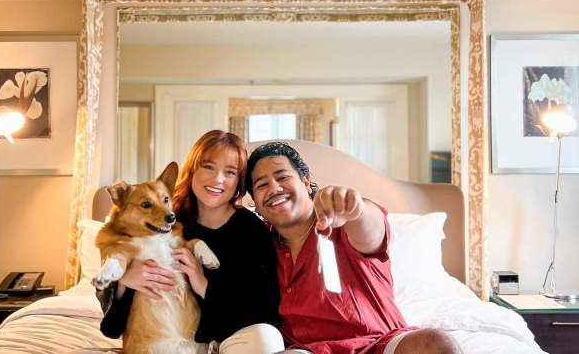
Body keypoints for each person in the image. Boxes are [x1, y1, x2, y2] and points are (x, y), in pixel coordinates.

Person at [245, 141, 463, 354]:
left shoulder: (344, 222)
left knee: (435, 343)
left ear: (306, 181)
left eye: (282, 177)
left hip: (379, 345)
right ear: (255, 201)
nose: (274, 188)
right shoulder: (257, 244)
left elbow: (371, 228)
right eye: (261, 185)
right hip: (307, 351)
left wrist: (355, 211)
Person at [97, 130, 284, 354]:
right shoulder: (163, 221)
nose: (218, 179)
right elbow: (114, 325)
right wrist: (125, 280)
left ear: (239, 182)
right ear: (192, 169)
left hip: (235, 340)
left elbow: (265, 310)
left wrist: (201, 282)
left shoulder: (251, 229)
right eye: (208, 167)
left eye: (230, 172)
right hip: (160, 340)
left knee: (266, 338)